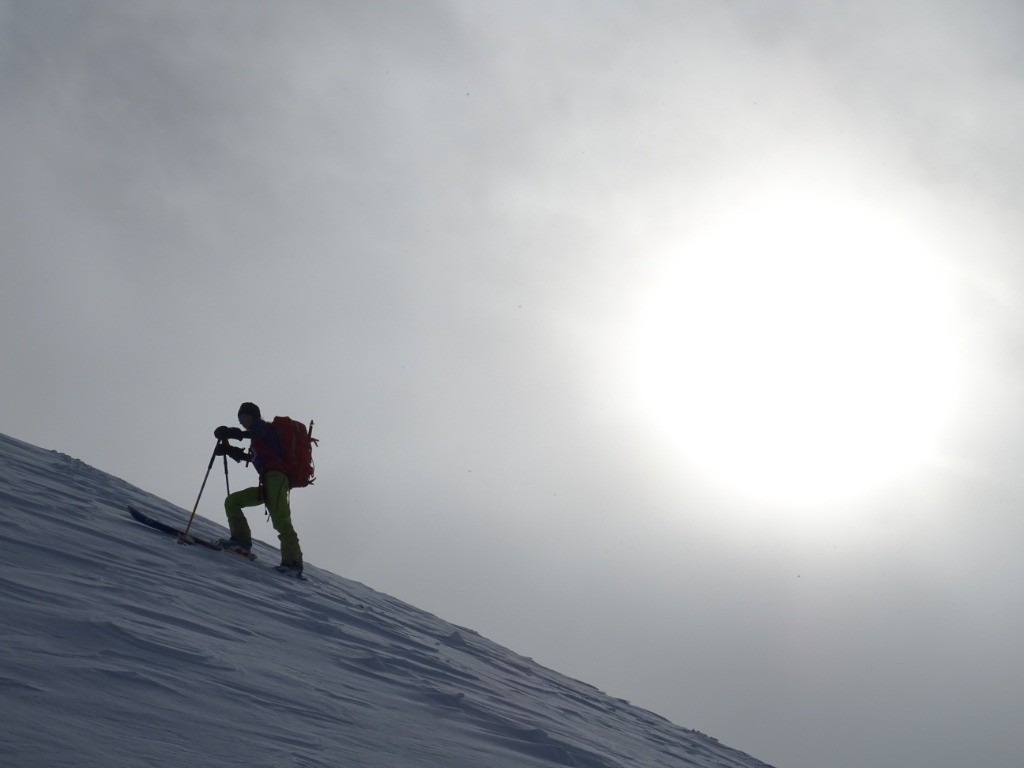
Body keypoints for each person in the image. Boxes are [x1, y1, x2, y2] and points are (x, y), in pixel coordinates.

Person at [214, 402, 304, 577]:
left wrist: (232, 433)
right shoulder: (257, 439)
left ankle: (293, 564)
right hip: (267, 482)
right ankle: (240, 542)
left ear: (251, 415)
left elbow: (256, 433)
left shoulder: (263, 428)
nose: (240, 421)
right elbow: (255, 457)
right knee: (232, 501)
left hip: (276, 479)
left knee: (281, 522)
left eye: (242, 417)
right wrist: (229, 450)